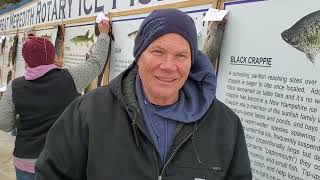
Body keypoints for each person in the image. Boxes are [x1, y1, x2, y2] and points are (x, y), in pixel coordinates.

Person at [35, 9, 252, 180]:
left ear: (191, 61)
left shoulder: (225, 124)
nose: (168, 66)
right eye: (158, 51)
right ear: (139, 55)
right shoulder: (88, 112)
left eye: (181, 55)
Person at [0, 19, 110, 180]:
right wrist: (104, 34)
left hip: (25, 162)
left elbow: (4, 123)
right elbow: (96, 63)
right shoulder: (70, 78)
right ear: (53, 56)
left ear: (26, 60)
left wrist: (23, 119)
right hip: (60, 161)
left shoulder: (14, 86)